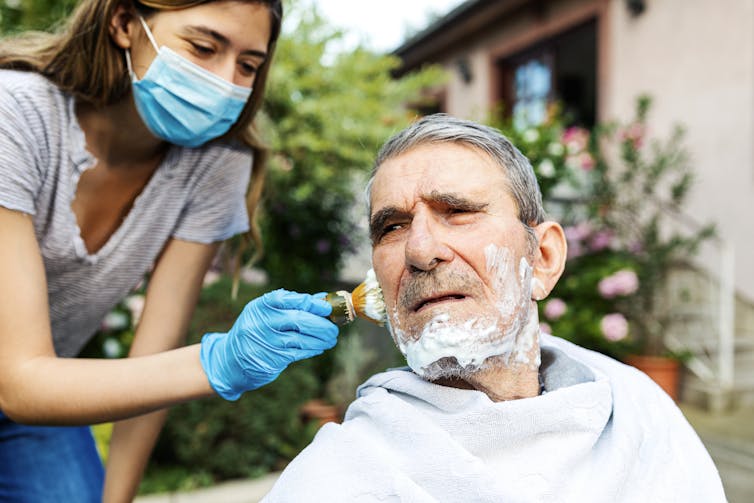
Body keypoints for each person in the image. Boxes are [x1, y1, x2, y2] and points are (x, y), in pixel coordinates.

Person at [262, 114, 726, 502]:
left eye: (457, 211)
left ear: (543, 258)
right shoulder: (332, 481)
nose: (420, 250)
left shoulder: (641, 418)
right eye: (392, 227)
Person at [0, 1, 339, 501]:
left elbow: (152, 365)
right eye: (203, 47)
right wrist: (221, 361)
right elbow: (21, 382)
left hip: (42, 393)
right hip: (27, 383)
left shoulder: (216, 164)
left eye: (248, 65)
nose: (225, 82)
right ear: (123, 24)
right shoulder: (16, 114)